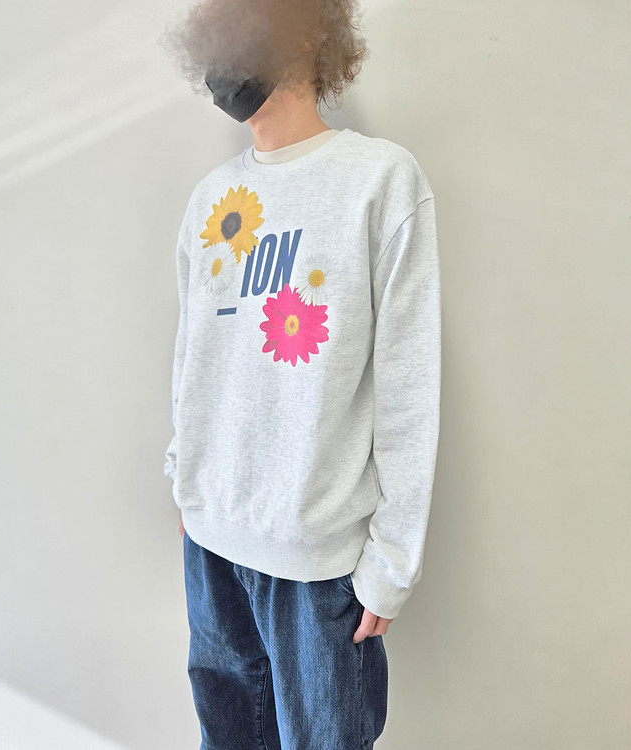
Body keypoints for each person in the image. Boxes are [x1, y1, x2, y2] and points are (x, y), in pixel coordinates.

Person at [158, 1, 441, 747]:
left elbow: (408, 384)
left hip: (317, 556)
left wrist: (393, 559)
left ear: (305, 38)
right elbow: (193, 354)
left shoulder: (379, 180)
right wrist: (185, 474)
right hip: (211, 541)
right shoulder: (210, 200)